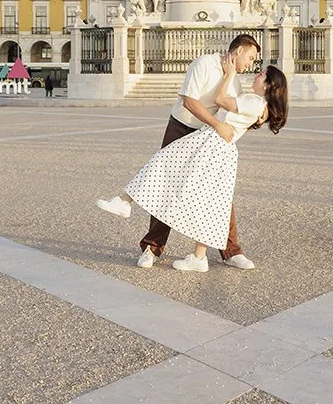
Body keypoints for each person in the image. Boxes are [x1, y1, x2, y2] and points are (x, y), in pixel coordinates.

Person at [98, 65, 287, 272]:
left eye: (261, 75)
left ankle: (125, 201)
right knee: (208, 200)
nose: (256, 74)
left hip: (209, 143)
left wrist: (230, 75)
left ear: (269, 85)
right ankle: (198, 256)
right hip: (217, 147)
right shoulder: (258, 104)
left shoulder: (254, 102)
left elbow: (220, 99)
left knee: (163, 164)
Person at [122, 34, 261, 269]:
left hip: (206, 137)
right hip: (181, 127)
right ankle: (152, 248)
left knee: (219, 192)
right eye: (250, 57)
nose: (251, 63)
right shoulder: (203, 64)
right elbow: (189, 101)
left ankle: (231, 251)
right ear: (238, 51)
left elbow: (232, 112)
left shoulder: (235, 81)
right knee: (165, 185)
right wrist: (218, 126)